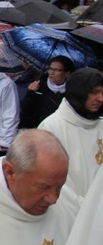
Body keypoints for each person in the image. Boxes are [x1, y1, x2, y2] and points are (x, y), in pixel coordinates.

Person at [38, 68, 103, 198]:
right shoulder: (51, 127)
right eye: (94, 92)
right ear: (79, 92)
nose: (101, 98)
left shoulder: (101, 124)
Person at [19, 55, 75, 128]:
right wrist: (31, 93)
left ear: (67, 73)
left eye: (56, 70)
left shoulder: (72, 92)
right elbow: (27, 112)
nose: (51, 73)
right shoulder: (40, 86)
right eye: (50, 69)